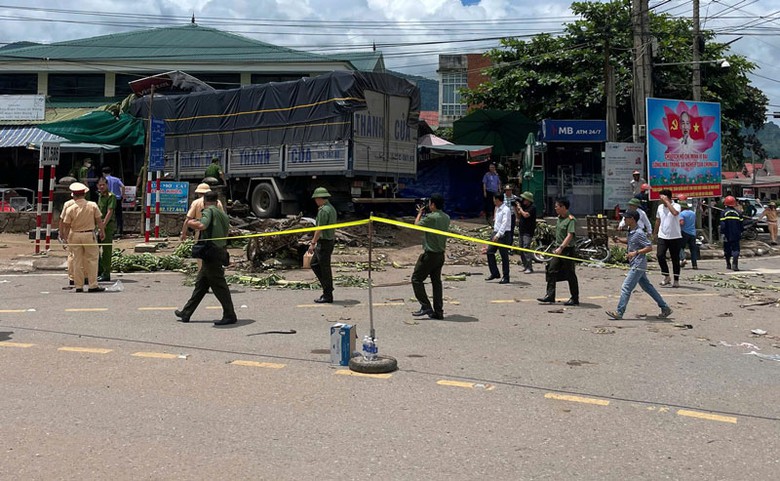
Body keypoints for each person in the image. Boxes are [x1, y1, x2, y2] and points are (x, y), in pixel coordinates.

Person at [175, 191, 237, 325]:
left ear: (204, 201)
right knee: (201, 284)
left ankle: (230, 315)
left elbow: (203, 225)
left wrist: (191, 223)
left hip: (211, 252)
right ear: (217, 200)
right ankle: (186, 312)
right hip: (220, 250)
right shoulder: (223, 214)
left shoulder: (208, 211)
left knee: (219, 286)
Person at [606, 210, 673, 320]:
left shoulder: (639, 233)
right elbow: (630, 241)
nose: (624, 220)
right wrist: (619, 240)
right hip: (636, 264)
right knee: (648, 288)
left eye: (626, 218)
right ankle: (665, 308)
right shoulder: (631, 231)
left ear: (632, 219)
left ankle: (619, 312)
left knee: (626, 287)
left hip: (638, 264)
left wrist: (635, 253)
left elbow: (649, 247)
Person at [60, 182, 105, 293]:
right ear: (84, 194)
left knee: (76, 260)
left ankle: (78, 285)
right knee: (92, 260)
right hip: (89, 234)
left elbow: (66, 225)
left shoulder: (70, 208)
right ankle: (92, 285)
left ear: (74, 195)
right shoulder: (92, 205)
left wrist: (65, 237)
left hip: (74, 235)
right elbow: (99, 220)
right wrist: (102, 231)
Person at [411, 194, 450, 320]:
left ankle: (426, 306)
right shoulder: (446, 217)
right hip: (440, 254)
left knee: (416, 279)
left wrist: (420, 213)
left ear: (433, 204)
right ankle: (438, 311)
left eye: (429, 203)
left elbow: (416, 225)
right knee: (436, 283)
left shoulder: (431, 217)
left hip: (430, 254)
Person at [537, 198, 579, 306]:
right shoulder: (559, 218)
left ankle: (574, 298)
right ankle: (550, 296)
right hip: (557, 249)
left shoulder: (571, 220)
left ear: (563, 207)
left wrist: (561, 247)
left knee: (570, 274)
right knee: (551, 270)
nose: (555, 208)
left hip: (567, 250)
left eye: (557, 206)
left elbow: (570, 235)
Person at [308, 187, 337, 303]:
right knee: (315, 264)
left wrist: (312, 243)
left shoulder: (324, 211)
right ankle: (328, 286)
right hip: (329, 241)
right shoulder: (331, 208)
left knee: (324, 268)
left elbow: (319, 229)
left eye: (316, 199)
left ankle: (328, 294)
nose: (315, 201)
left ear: (320, 198)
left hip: (324, 243)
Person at [653, 189, 682, 287]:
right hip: (663, 235)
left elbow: (675, 213)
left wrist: (667, 202)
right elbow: (658, 220)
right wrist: (655, 233)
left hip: (675, 236)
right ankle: (666, 276)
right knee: (660, 255)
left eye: (661, 197)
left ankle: (676, 279)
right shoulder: (660, 207)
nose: (660, 200)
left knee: (675, 259)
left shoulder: (676, 205)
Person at [486, 193, 511, 284]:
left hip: (503, 234)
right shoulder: (497, 209)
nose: (493, 201)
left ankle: (506, 276)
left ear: (498, 200)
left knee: (504, 256)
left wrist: (498, 235)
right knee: (490, 252)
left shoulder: (506, 210)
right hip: (495, 232)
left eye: (494, 199)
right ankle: (495, 273)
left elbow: (504, 223)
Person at [96, 177, 117, 282]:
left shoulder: (111, 196)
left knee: (106, 250)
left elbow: (110, 211)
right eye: (100, 185)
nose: (102, 187)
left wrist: (103, 226)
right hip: (98, 226)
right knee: (95, 249)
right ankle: (99, 270)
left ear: (107, 185)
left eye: (103, 185)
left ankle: (106, 273)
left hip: (107, 226)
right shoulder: (99, 196)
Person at [515, 191, 537, 274]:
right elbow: (519, 215)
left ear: (528, 200)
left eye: (524, 199)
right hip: (522, 229)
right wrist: (517, 207)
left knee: (526, 248)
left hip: (528, 231)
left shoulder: (532, 207)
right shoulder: (523, 206)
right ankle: (525, 265)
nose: (523, 200)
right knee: (521, 248)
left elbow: (525, 215)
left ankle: (529, 267)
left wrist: (520, 208)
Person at [720, 195, 743, 271]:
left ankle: (728, 264)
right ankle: (735, 264)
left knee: (727, 250)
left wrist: (722, 233)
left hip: (727, 234)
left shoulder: (724, 213)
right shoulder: (738, 213)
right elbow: (741, 225)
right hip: (736, 234)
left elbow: (723, 225)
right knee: (736, 249)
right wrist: (741, 232)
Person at [59, 196, 77, 290]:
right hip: (85, 233)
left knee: (72, 256)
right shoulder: (89, 204)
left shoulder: (68, 204)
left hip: (72, 233)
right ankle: (85, 278)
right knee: (86, 257)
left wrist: (62, 234)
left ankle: (72, 278)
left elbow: (62, 220)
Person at [102, 166, 124, 236]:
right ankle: (119, 231)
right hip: (117, 198)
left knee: (107, 214)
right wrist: (122, 195)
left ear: (103, 173)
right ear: (110, 172)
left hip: (108, 198)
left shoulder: (104, 180)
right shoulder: (116, 179)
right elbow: (123, 186)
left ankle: (108, 230)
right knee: (118, 215)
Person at [678, 201, 698, 269]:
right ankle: (694, 265)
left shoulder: (681, 214)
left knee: (680, 247)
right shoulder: (693, 213)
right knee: (693, 250)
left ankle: (683, 259)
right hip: (693, 233)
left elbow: (681, 223)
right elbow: (695, 222)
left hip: (684, 232)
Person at [502, 184, 518, 248]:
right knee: (503, 230)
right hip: (504, 216)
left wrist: (517, 217)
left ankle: (509, 246)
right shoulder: (502, 197)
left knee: (511, 231)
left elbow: (516, 208)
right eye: (507, 190)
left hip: (511, 216)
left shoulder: (514, 197)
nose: (508, 191)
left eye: (509, 190)